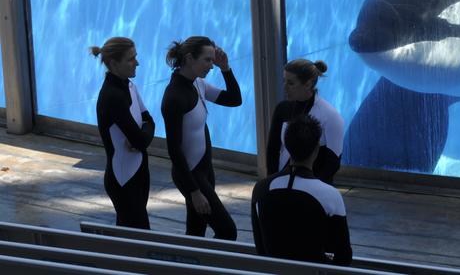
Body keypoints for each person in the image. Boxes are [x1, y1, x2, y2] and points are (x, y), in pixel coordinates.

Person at [161, 36, 241, 240]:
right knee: (227, 230)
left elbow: (234, 100)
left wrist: (226, 68)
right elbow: (174, 149)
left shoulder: (198, 84)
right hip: (191, 175)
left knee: (195, 232)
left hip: (205, 171)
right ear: (189, 58)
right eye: (208, 60)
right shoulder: (174, 97)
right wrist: (194, 191)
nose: (211, 66)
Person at [252, 115, 352, 265]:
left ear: (286, 145)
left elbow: (260, 246)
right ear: (317, 149)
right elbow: (343, 255)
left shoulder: (261, 188)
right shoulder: (330, 195)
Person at [91, 37, 155, 229]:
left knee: (131, 240)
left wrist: (143, 135)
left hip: (139, 172)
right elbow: (142, 140)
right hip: (123, 180)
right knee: (140, 241)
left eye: (135, 57)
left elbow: (148, 121)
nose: (137, 63)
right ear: (113, 63)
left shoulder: (129, 85)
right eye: (131, 59)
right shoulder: (113, 96)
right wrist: (142, 136)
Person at [266, 59, 344, 184]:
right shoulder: (282, 109)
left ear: (308, 84)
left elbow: (332, 163)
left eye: (290, 83)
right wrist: (271, 182)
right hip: (283, 184)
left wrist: (309, 188)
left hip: (316, 188)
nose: (284, 87)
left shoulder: (331, 116)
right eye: (284, 81)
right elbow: (272, 150)